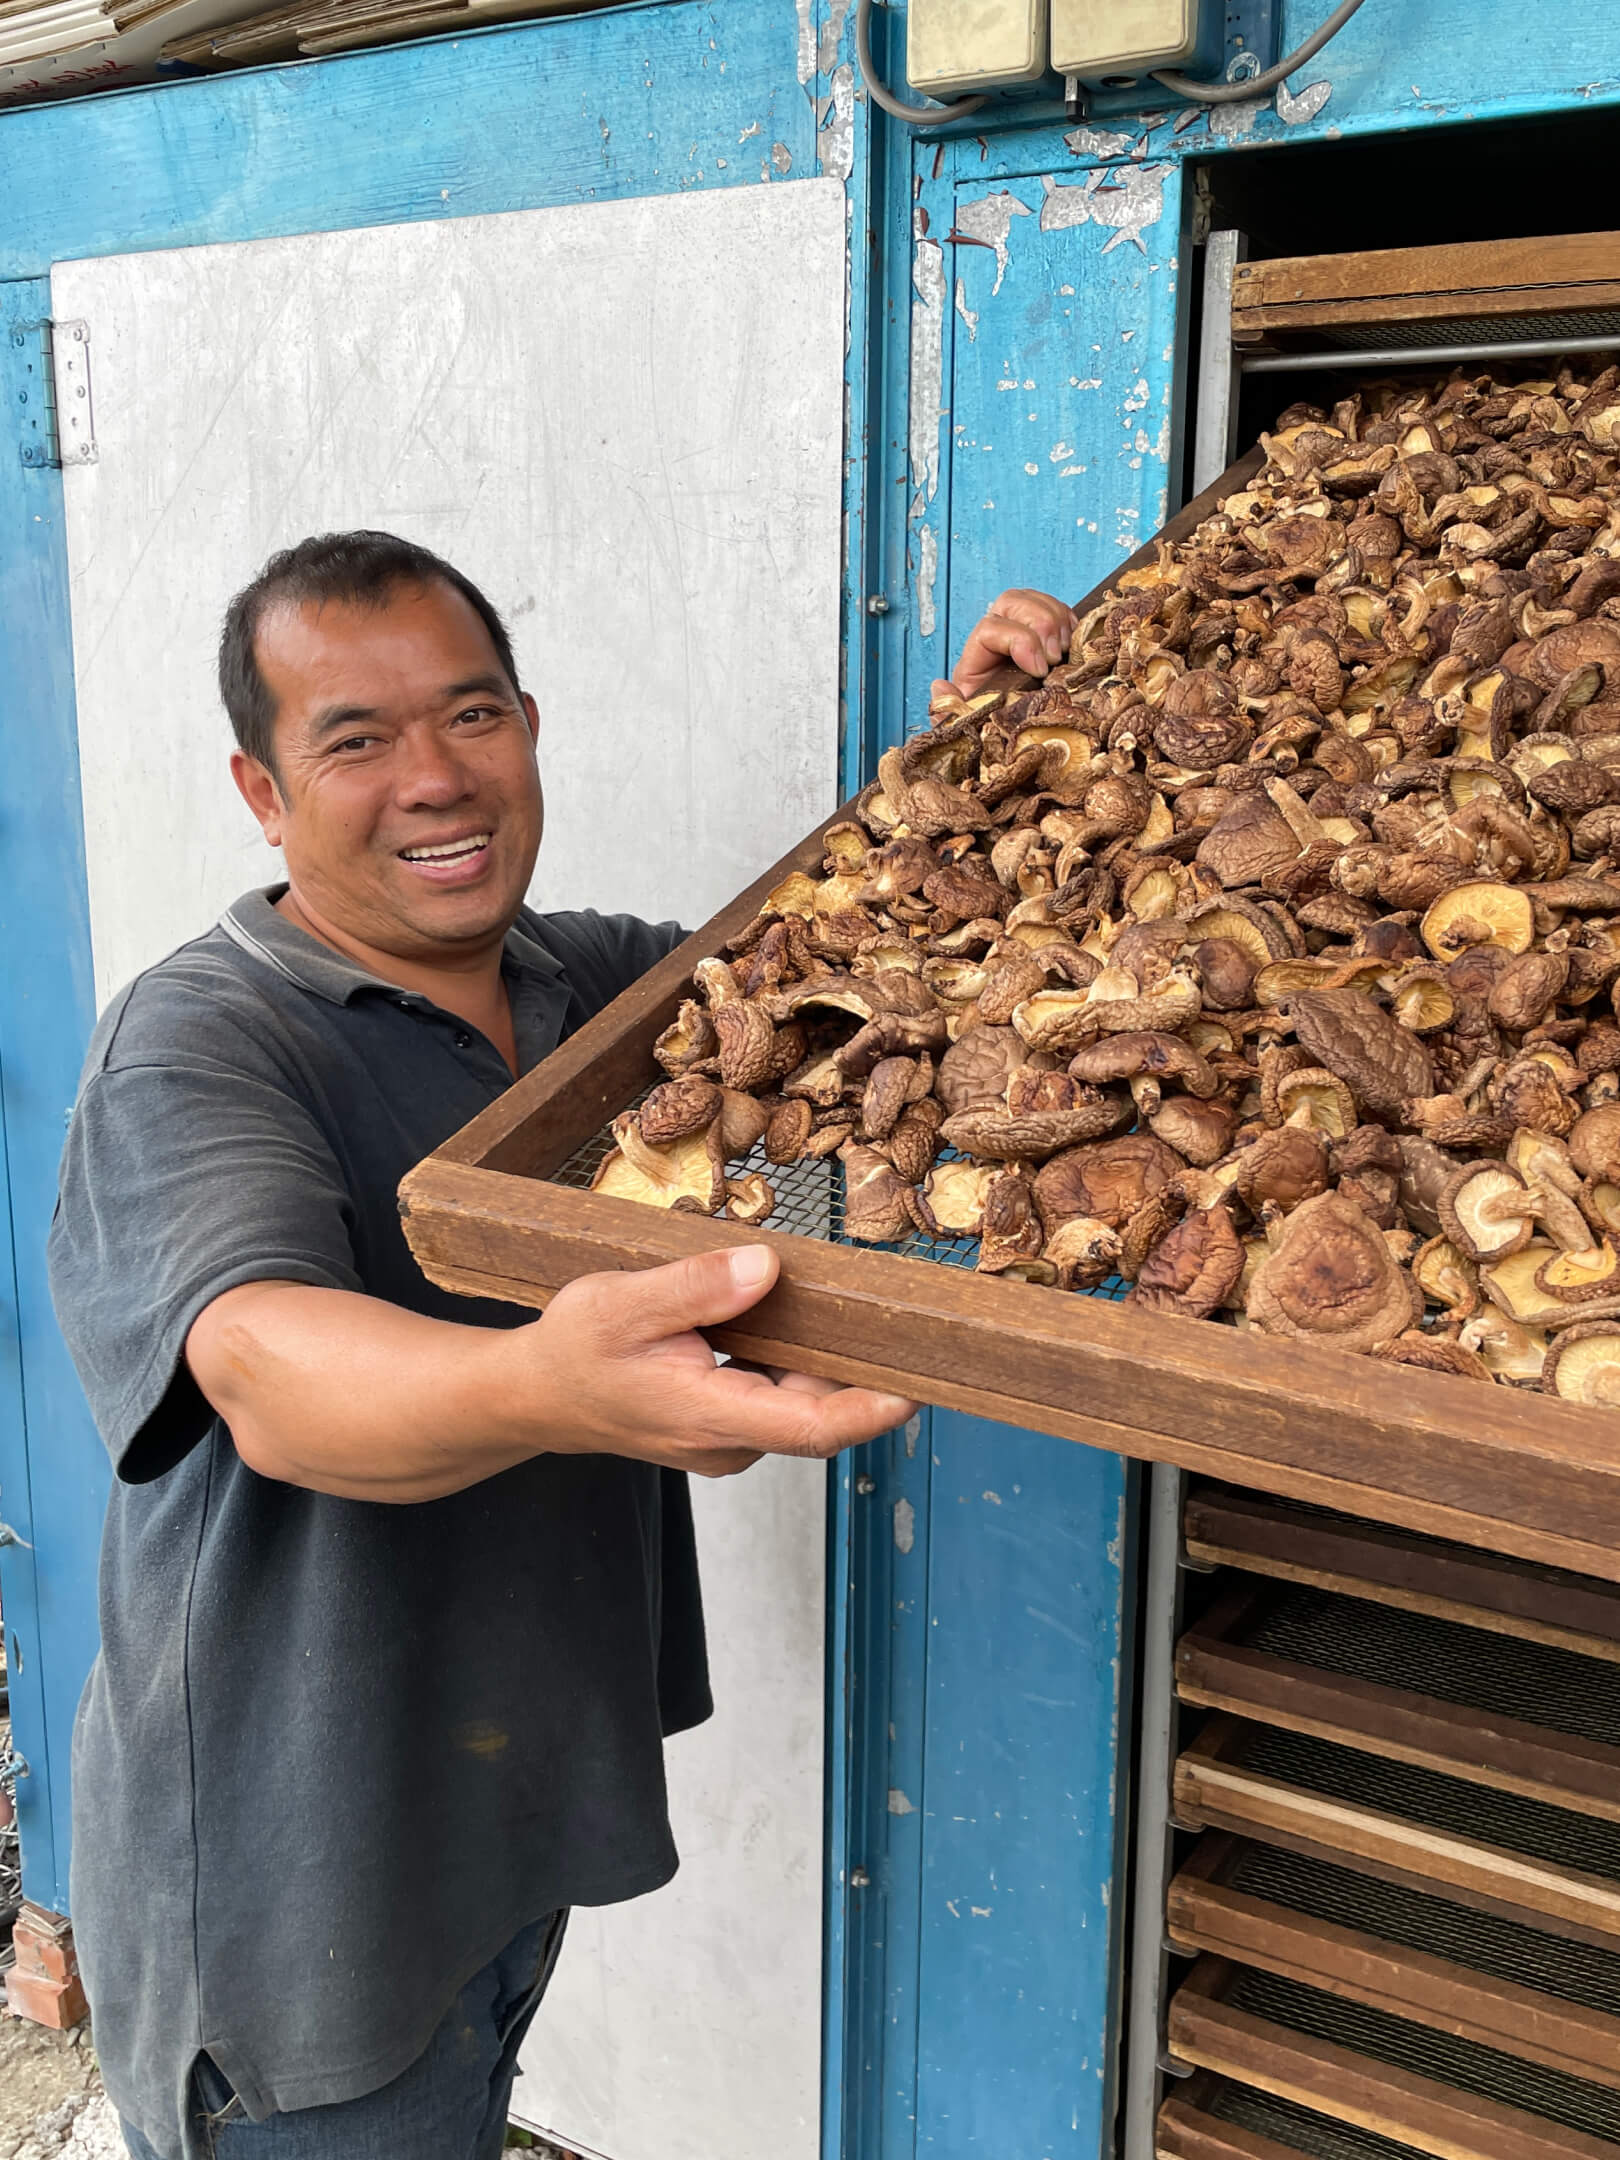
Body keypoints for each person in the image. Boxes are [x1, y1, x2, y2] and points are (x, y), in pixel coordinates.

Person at [47, 532, 1075, 2160]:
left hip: (494, 1810)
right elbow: (263, 1374)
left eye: (473, 717)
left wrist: (998, 759)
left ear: (529, 724)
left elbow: (857, 1041)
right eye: (356, 740)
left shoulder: (593, 984)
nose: (437, 781)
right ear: (261, 791)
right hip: (298, 1876)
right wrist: (553, 1385)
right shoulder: (198, 1041)